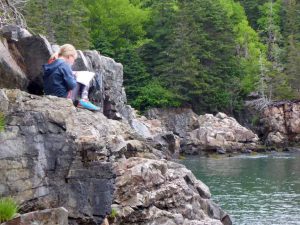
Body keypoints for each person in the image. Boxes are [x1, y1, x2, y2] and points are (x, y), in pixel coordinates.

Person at [43, 44, 100, 111]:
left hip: (49, 94)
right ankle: (84, 100)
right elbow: (72, 85)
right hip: (62, 97)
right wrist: (75, 77)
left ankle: (82, 101)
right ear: (69, 56)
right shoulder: (64, 65)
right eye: (74, 59)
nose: (73, 62)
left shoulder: (51, 64)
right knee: (85, 76)